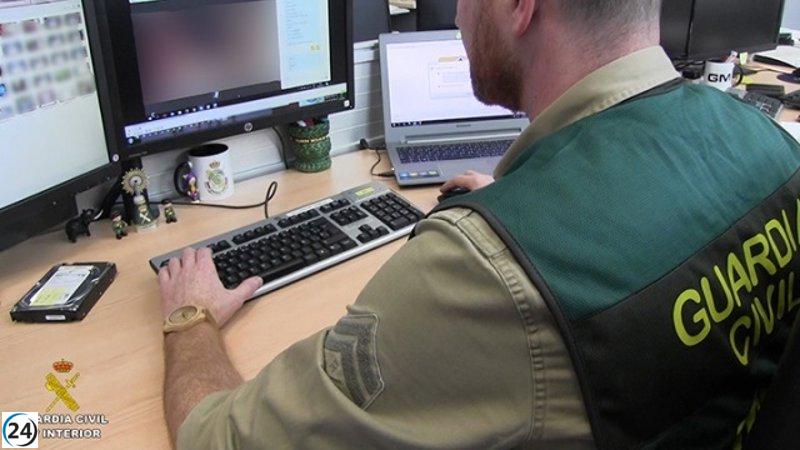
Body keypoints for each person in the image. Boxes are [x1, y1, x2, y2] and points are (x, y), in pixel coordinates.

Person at [158, 0, 800, 448]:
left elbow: (219, 439)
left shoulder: (481, 272)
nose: (459, 17)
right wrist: (526, 203)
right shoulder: (770, 146)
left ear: (519, 6)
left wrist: (191, 319)